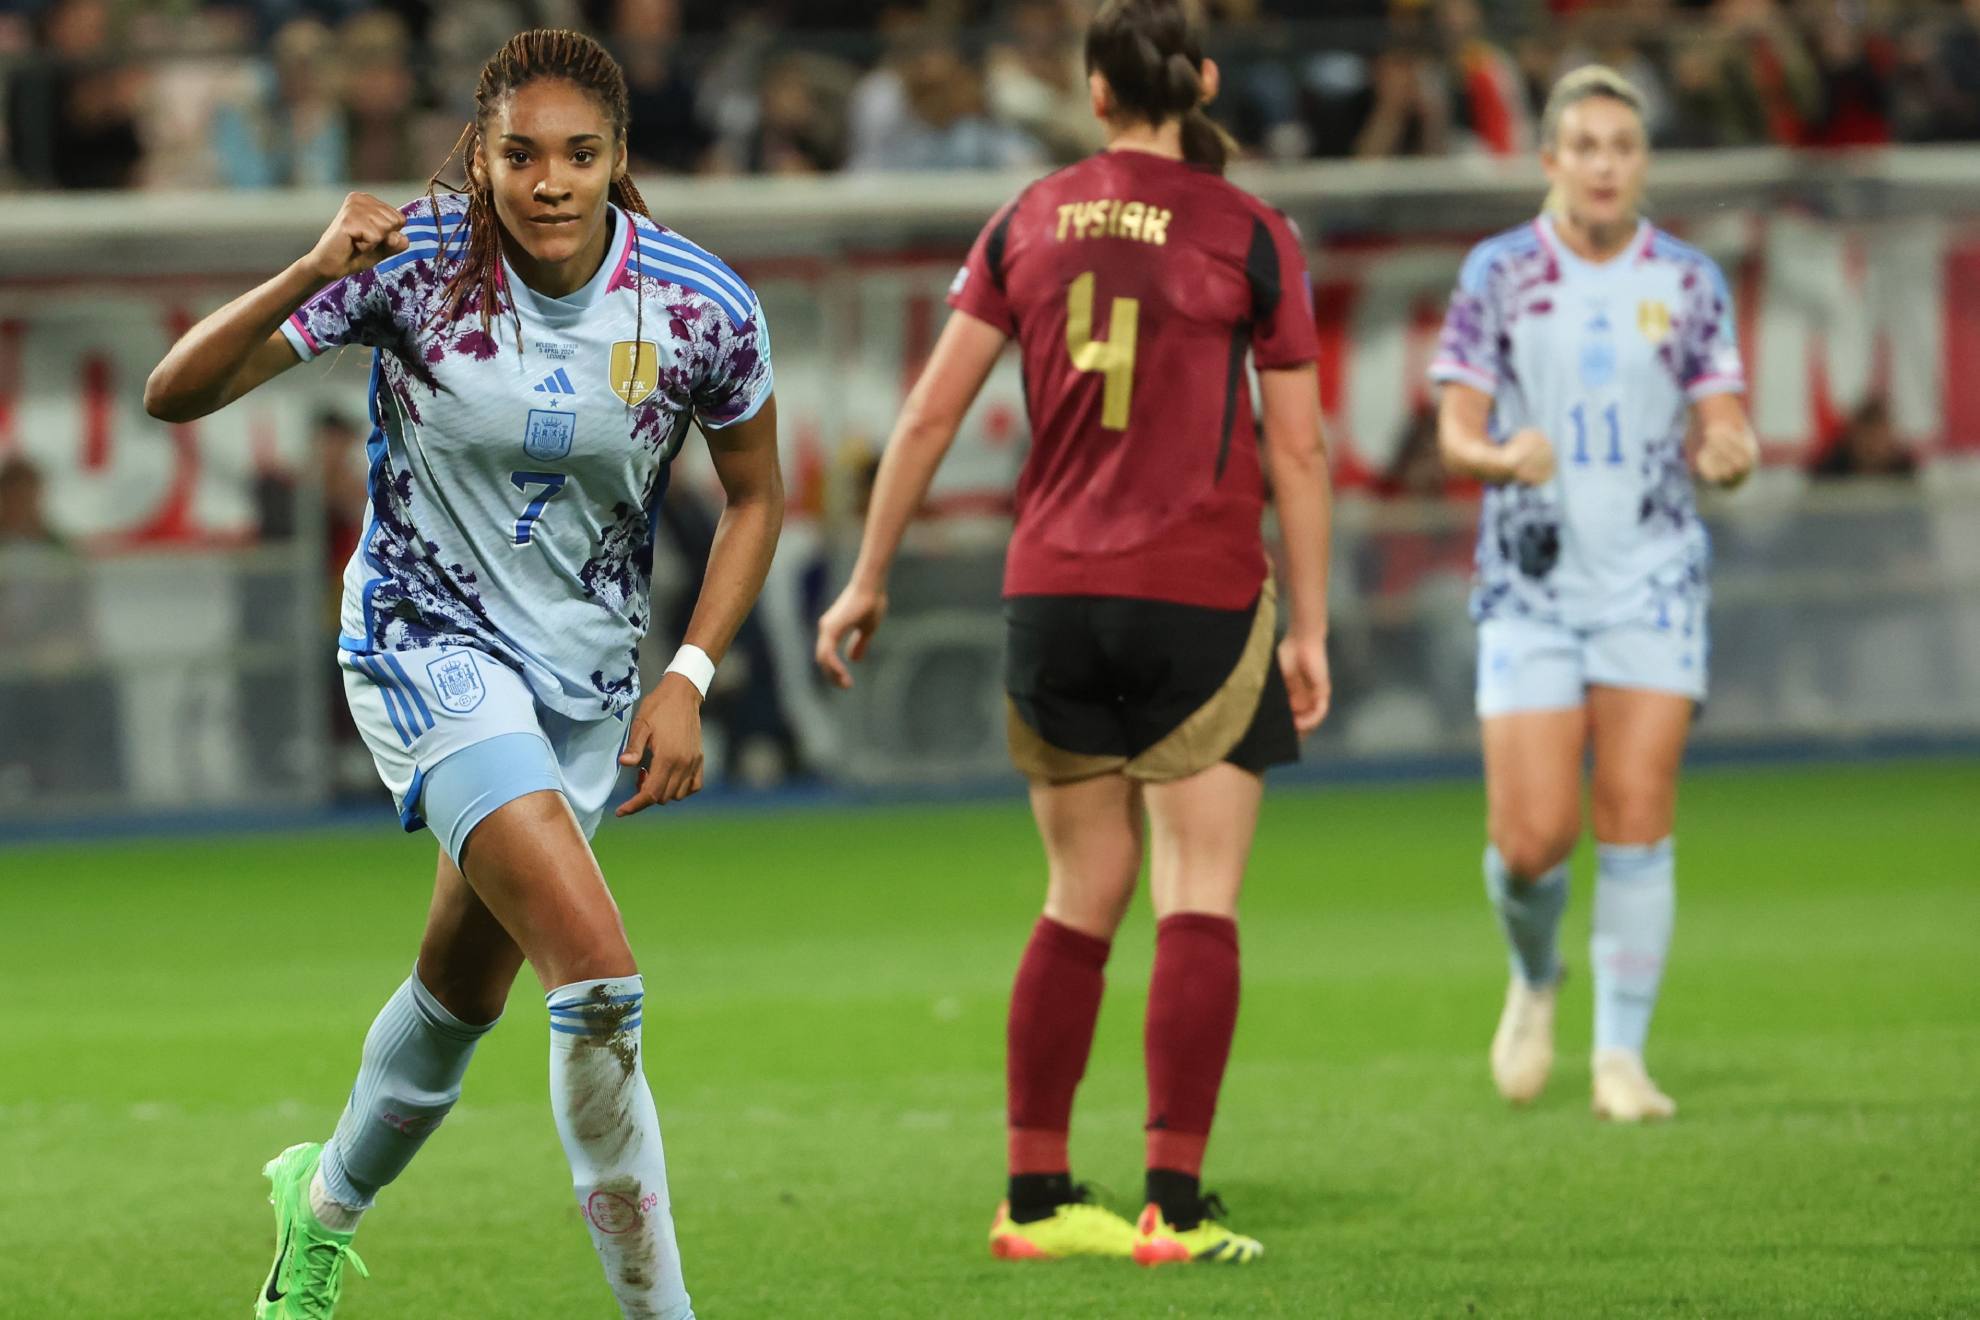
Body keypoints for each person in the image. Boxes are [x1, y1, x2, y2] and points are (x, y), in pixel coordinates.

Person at [144, 28, 782, 1319]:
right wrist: (315, 267)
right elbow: (174, 390)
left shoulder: (698, 305)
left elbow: (757, 495)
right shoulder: (416, 266)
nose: (550, 182)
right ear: (479, 157)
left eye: (579, 156)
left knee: (455, 998)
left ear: (617, 159)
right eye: (521, 154)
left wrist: (692, 674)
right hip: (421, 646)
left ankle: (316, 1210)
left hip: (584, 692)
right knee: (598, 981)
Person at [816, 0, 1332, 1267]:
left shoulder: (1027, 219)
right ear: (1203, 82)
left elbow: (930, 415)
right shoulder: (1251, 232)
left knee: (1077, 894)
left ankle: (1037, 1197)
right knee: (1195, 893)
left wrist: (867, 573)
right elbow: (1301, 448)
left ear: (1094, 94)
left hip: (1051, 594)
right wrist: (1311, 625)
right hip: (1197, 592)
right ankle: (1174, 1201)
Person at [1428, 65, 1757, 1123]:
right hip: (1530, 582)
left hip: (1653, 577)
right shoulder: (1499, 273)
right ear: (1551, 162)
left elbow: (1724, 419)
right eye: (1586, 146)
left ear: (1642, 161)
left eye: (1622, 145)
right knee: (1531, 839)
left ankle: (1621, 1056)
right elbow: (1454, 425)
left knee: (1634, 814)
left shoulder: (1692, 282)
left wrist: (1730, 451)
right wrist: (1492, 454)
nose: (1606, 164)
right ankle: (1536, 977)